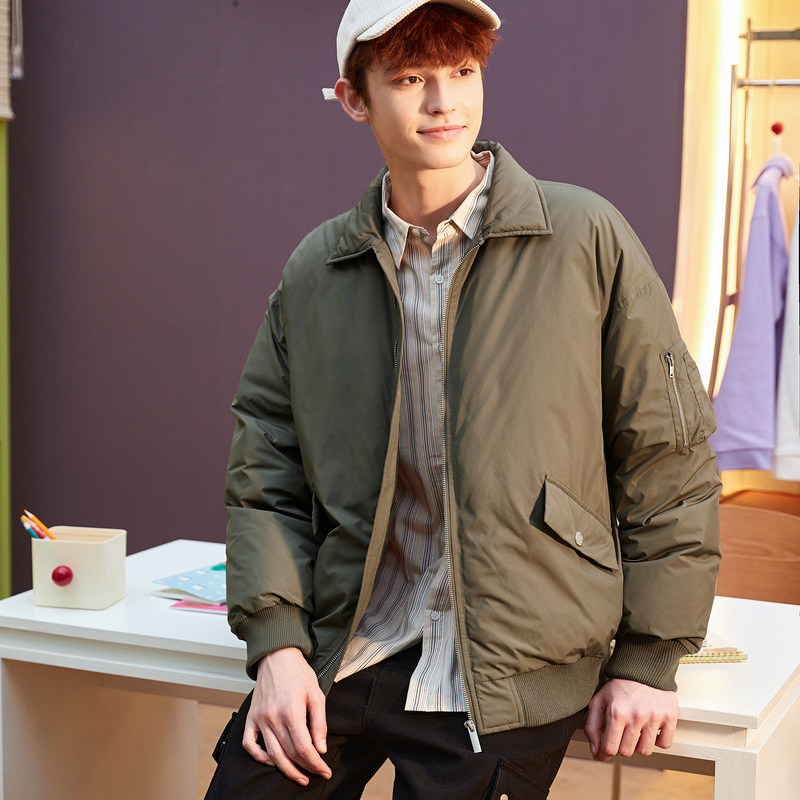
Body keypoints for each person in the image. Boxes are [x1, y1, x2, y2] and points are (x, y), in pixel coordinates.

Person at [205, 1, 721, 797]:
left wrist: (650, 657)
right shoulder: (317, 272)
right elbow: (265, 476)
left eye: (463, 71)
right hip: (352, 647)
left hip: (511, 666)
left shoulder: (585, 237)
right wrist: (276, 647)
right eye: (411, 79)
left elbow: (668, 460)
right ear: (353, 98)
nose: (445, 102)